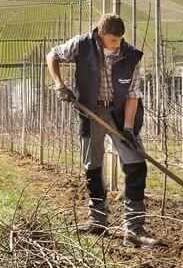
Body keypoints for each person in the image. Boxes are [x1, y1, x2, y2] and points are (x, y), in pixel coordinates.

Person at [47, 13, 162, 248]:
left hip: (120, 114)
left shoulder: (131, 57)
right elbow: (52, 55)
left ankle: (134, 228)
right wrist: (60, 84)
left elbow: (132, 94)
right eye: (113, 40)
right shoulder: (81, 44)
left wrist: (128, 129)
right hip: (90, 111)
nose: (117, 44)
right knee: (93, 165)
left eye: (120, 39)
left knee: (136, 164)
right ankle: (98, 220)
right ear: (100, 36)